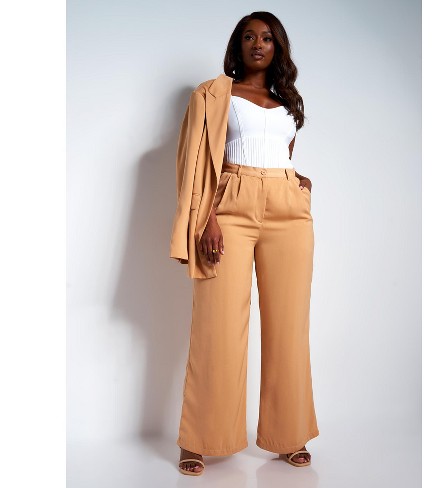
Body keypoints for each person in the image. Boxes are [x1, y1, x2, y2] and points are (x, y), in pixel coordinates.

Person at [172, 11, 319, 476]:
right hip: (229, 206)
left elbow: (278, 154)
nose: (258, 44)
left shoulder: (287, 102)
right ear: (238, 45)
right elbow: (197, 161)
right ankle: (199, 439)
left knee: (289, 326)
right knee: (216, 325)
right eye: (250, 37)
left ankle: (288, 435)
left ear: (278, 47)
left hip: (288, 211)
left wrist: (297, 182)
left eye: (268, 38)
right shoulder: (214, 94)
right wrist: (206, 218)